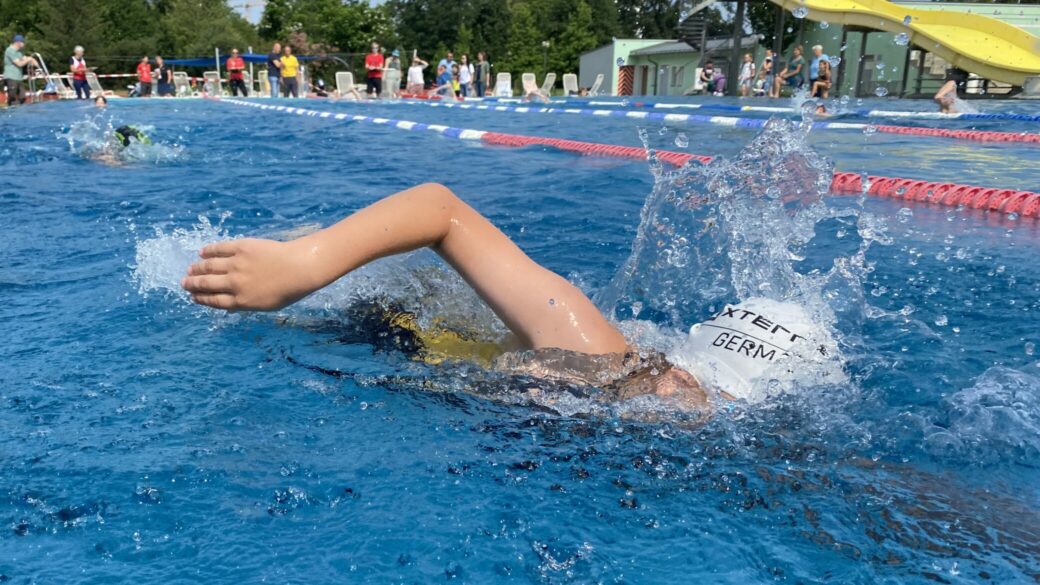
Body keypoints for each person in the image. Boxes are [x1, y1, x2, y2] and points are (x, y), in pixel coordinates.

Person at [181, 183, 837, 412]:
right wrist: (303, 264)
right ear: (686, 372)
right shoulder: (600, 351)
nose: (683, 398)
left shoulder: (652, 396)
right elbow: (439, 209)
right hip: (401, 330)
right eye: (691, 392)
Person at [4, 35, 39, 106]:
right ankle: (11, 109)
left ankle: (19, 109)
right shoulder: (10, 50)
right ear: (18, 42)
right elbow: (19, 64)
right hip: (11, 77)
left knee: (22, 97)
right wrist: (29, 59)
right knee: (12, 97)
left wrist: (36, 64)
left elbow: (26, 58)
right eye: (23, 42)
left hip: (18, 78)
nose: (24, 44)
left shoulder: (19, 52)